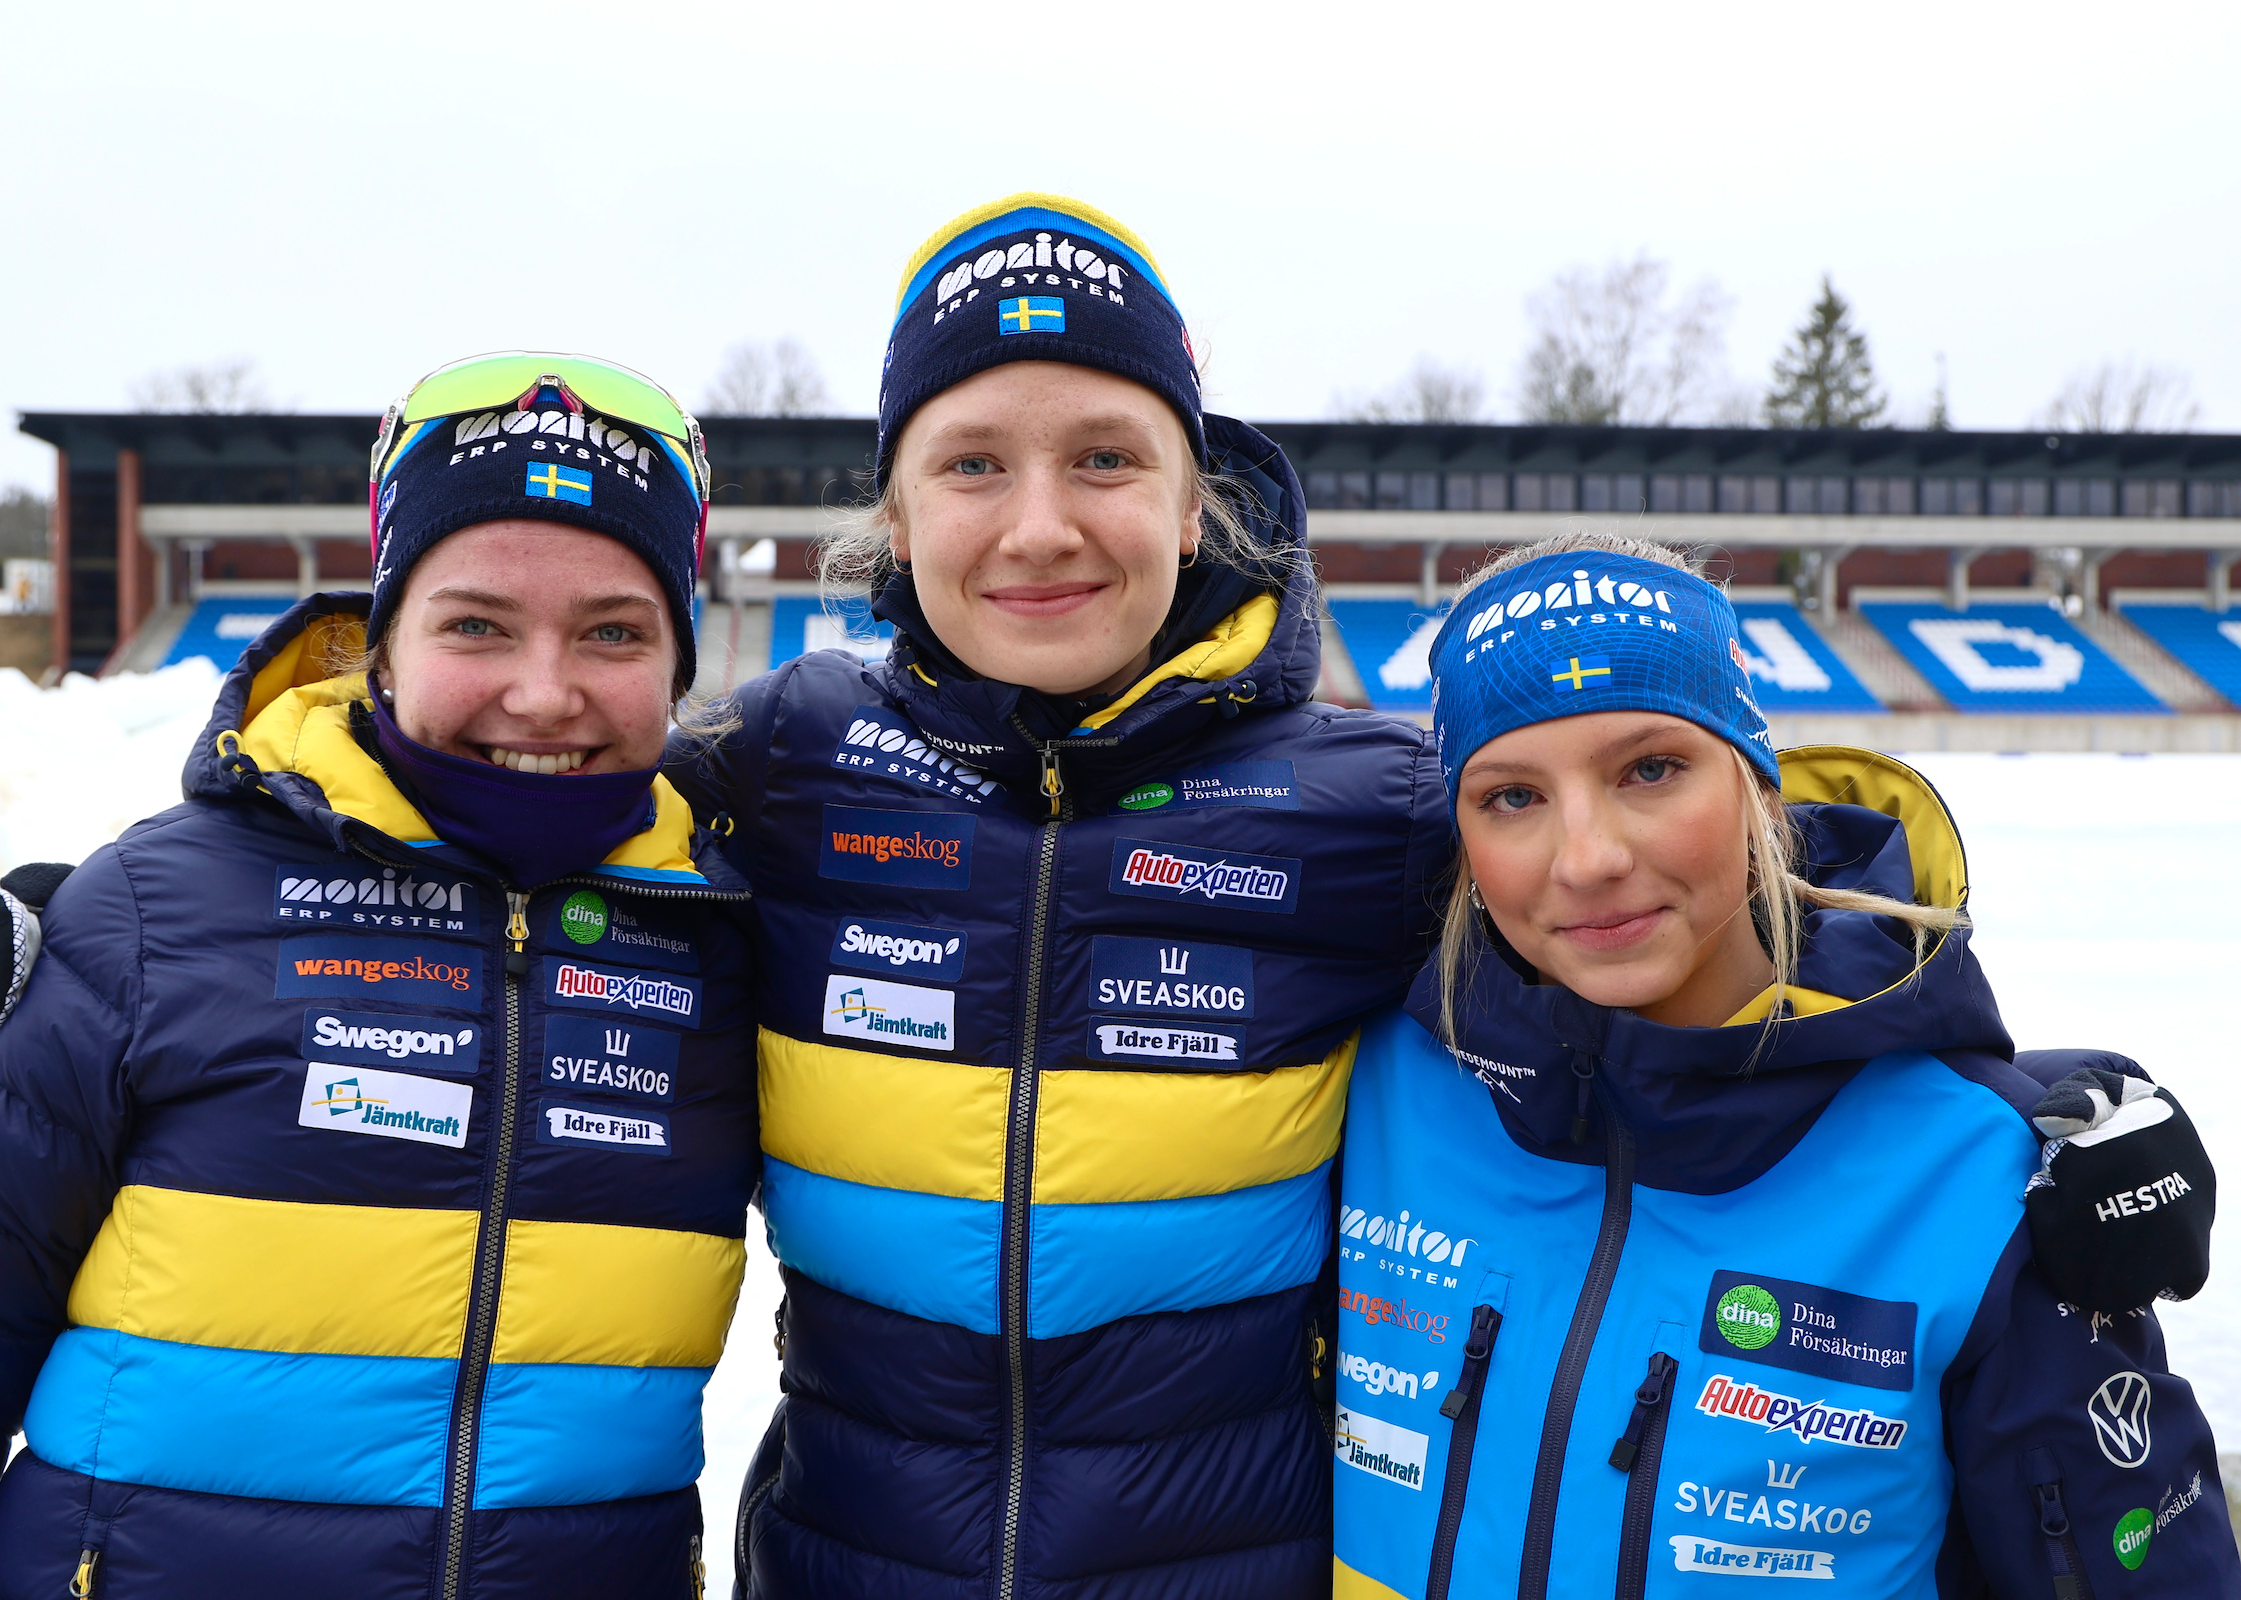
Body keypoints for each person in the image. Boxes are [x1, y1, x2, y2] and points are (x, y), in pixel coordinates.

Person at [0, 354, 759, 1598]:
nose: (543, 694)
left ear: (677, 662)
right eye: (475, 624)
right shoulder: (148, 914)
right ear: (382, 643)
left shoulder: (724, 945)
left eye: (613, 632)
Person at [664, 194, 1453, 1595]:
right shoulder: (783, 759)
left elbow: (1704, 901)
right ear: (899, 517)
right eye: (972, 464)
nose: (1040, 528)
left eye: (1105, 458)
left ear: (1192, 504)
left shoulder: (1378, 808)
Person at [1331, 531, 2236, 1597]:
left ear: (1760, 784)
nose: (1588, 859)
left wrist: (2004, 1107)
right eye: (1512, 798)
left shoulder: (1989, 1185)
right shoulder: (1367, 1085)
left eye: (1652, 769)